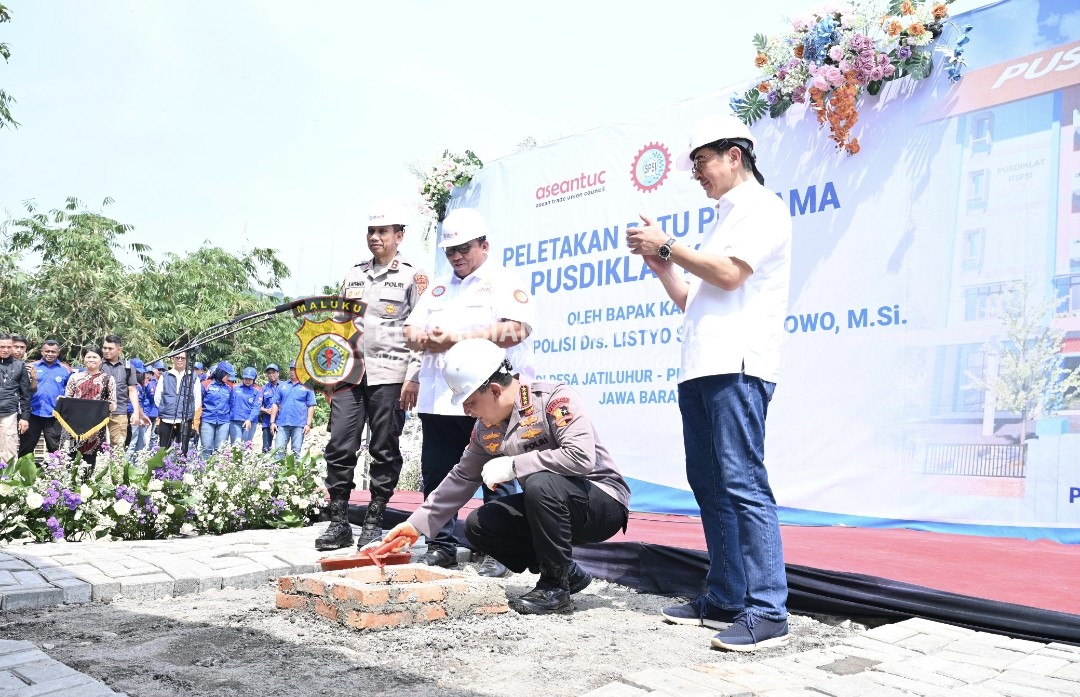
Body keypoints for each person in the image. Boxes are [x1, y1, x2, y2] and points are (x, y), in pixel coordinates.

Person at [626, 113, 792, 652]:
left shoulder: (762, 209)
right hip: (700, 367)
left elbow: (728, 275)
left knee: (743, 484)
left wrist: (668, 245)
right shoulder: (723, 219)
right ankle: (724, 596)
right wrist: (659, 263)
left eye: (701, 162)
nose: (697, 173)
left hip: (737, 366)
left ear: (733, 156)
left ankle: (768, 610)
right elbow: (692, 298)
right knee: (710, 486)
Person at [381, 339, 629, 614]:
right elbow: (461, 479)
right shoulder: (485, 429)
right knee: (480, 523)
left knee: (539, 481)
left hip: (600, 503)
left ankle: (554, 588)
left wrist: (515, 465)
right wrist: (414, 526)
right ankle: (567, 571)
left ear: (495, 390)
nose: (467, 411)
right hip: (549, 505)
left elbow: (581, 457)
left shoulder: (554, 399)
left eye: (471, 402)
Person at [403, 207, 536, 577]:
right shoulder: (439, 286)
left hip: (490, 400)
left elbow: (518, 330)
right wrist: (423, 338)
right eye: (450, 251)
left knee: (496, 475)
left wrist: (460, 338)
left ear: (484, 245)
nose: (457, 256)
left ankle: (501, 551)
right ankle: (440, 546)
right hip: (440, 399)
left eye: (464, 248)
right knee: (438, 474)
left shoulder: (504, 280)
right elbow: (411, 330)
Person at [318, 201, 427, 552]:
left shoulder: (413, 276)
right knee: (339, 445)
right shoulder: (353, 275)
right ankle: (338, 522)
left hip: (392, 375)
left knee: (384, 448)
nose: (375, 237)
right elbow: (338, 327)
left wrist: (415, 377)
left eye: (383, 231)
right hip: (351, 375)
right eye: (371, 231)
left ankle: (374, 519)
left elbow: (421, 331)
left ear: (399, 235)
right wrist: (329, 374)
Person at [59, 346, 117, 466]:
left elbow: (113, 404)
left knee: (91, 458)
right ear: (83, 359)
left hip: (95, 425)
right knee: (70, 457)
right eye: (88, 357)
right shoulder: (75, 377)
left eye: (94, 357)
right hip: (73, 424)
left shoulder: (107, 379)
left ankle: (88, 482)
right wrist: (61, 401)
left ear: (101, 360)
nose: (91, 359)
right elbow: (68, 399)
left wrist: (106, 406)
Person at [18, 339, 71, 458]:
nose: (50, 354)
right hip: (32, 414)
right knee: (26, 448)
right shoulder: (31, 367)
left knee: (55, 449)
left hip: (54, 416)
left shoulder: (66, 370)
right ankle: (21, 475)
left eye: (53, 351)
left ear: (58, 353)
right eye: (47, 351)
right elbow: (23, 391)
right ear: (42, 352)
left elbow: (70, 392)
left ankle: (55, 475)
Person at [101, 335, 146, 451]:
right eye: (104, 348)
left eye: (110, 348)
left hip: (119, 412)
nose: (106, 351)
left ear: (118, 350)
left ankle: (116, 469)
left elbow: (132, 390)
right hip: (98, 411)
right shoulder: (98, 364)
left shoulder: (127, 367)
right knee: (95, 447)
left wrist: (136, 412)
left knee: (118, 448)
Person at [155, 352, 201, 451]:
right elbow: (158, 397)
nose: (180, 360)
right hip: (167, 419)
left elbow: (197, 399)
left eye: (182, 358)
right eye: (177, 357)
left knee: (182, 452)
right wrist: (166, 408)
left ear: (187, 359)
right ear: (173, 359)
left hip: (184, 420)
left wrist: (189, 412)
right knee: (163, 451)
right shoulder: (165, 376)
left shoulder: (193, 377)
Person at [270, 362, 316, 458]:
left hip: (299, 424)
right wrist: (272, 422)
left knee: (296, 452)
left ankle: (295, 473)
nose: (293, 372)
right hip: (282, 424)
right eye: (291, 369)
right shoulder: (282, 386)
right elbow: (275, 404)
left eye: (296, 369)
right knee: (279, 451)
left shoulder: (308, 386)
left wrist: (308, 424)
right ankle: (278, 472)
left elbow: (311, 406)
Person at [0, 333, 32, 463]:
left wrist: (25, 417)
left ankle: (7, 481)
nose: (6, 350)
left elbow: (25, 394)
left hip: (9, 413)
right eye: (2, 347)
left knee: (8, 450)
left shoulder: (19, 366)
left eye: (9, 347)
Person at [200, 361, 235, 459]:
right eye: (227, 375)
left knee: (220, 450)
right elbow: (198, 403)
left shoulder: (229, 386)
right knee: (206, 449)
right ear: (221, 372)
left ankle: (217, 472)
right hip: (207, 420)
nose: (229, 377)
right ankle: (204, 471)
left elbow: (232, 403)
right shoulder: (206, 384)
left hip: (223, 421)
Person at [124, 359, 155, 456]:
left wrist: (141, 416)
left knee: (140, 444)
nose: (138, 374)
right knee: (131, 445)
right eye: (136, 372)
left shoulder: (139, 385)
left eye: (138, 372)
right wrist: (139, 416)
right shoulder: (131, 385)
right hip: (130, 416)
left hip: (137, 415)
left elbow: (140, 403)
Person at [229, 366, 262, 444]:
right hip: (235, 420)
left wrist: (249, 419)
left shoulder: (258, 390)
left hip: (250, 421)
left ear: (254, 379)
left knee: (246, 445)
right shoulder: (235, 388)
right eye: (246, 378)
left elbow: (256, 407)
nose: (248, 380)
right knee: (236, 446)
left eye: (250, 379)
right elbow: (230, 403)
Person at [259, 364, 282, 452]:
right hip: (267, 422)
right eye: (269, 373)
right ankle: (265, 465)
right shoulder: (263, 389)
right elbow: (257, 405)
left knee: (280, 447)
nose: (271, 375)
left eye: (273, 372)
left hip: (281, 421)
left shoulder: (284, 387)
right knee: (266, 448)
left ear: (278, 373)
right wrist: (266, 410)